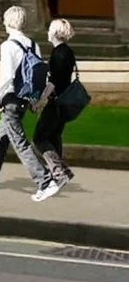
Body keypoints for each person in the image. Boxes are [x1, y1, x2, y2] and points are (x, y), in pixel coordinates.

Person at [0, 5, 63, 201]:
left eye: (5, 20)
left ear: (8, 22)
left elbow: (6, 76)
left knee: (19, 143)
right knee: (0, 140)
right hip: (24, 98)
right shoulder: (33, 45)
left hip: (10, 99)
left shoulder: (8, 46)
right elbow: (37, 76)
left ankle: (45, 181)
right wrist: (35, 99)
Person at [35, 17, 83, 186]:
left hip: (55, 101)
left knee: (40, 137)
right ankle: (60, 173)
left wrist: (41, 100)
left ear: (55, 32)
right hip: (64, 101)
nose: (48, 32)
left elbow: (53, 81)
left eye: (50, 29)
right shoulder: (68, 51)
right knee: (54, 136)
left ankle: (59, 172)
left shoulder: (58, 54)